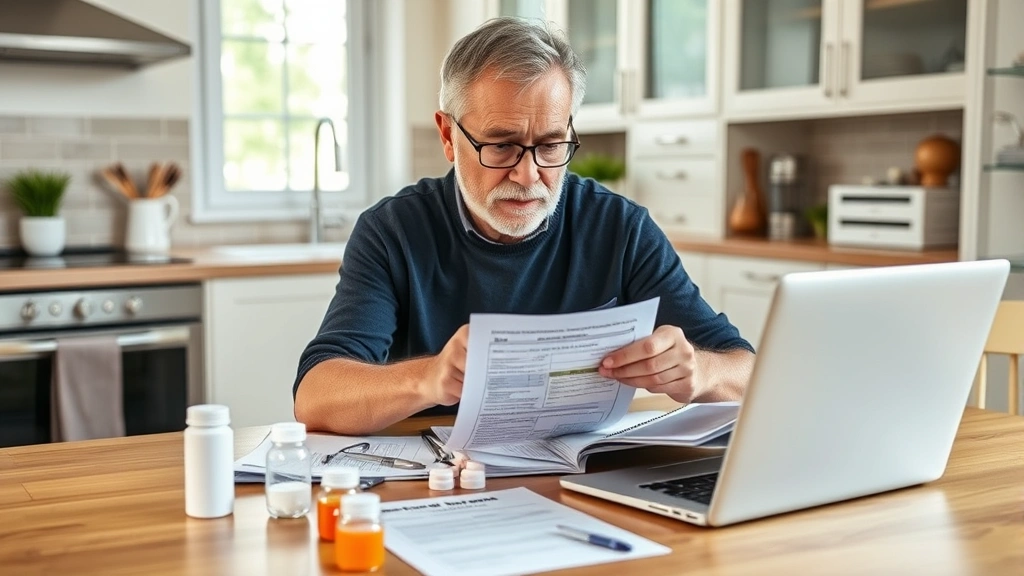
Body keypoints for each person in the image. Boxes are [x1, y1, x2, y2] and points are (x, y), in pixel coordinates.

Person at [294, 17, 754, 435]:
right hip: (442, 483)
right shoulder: (392, 232)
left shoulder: (620, 228)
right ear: (447, 136)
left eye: (551, 145)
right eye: (501, 146)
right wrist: (428, 378)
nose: (529, 175)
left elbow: (749, 372)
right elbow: (315, 396)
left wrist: (701, 370)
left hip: (581, 481)